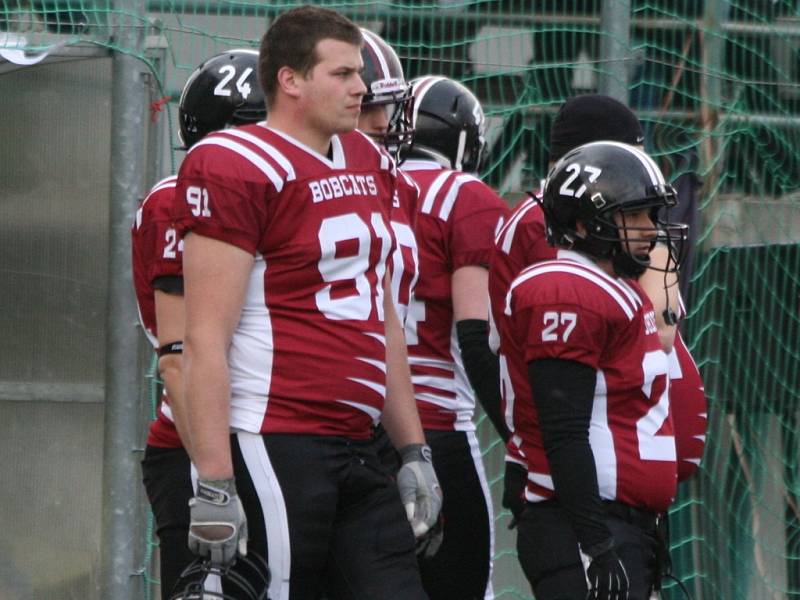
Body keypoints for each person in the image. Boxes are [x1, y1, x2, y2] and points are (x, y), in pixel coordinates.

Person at [173, 7, 441, 600]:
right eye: (342, 74)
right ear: (291, 80)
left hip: (360, 440)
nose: (361, 88)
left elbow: (381, 317)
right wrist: (215, 480)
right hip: (276, 434)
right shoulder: (234, 165)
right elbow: (204, 338)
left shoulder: (370, 161)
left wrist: (412, 447)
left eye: (360, 73)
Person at [489, 94, 706, 524]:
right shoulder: (547, 224)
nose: (644, 179)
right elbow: (653, 332)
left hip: (625, 467)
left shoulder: (615, 236)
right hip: (595, 477)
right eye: (630, 163)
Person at [500, 140, 688, 600]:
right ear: (586, 223)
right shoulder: (566, 286)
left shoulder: (614, 287)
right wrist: (596, 542)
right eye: (637, 216)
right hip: (585, 524)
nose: (651, 230)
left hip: (618, 524)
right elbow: (563, 429)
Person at [132, 48, 266, 599]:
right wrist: (214, 478)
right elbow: (179, 355)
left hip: (250, 431)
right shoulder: (181, 198)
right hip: (202, 438)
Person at [399, 74, 510, 600]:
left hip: (352, 426)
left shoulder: (358, 184)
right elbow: (474, 335)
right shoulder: (466, 197)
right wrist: (520, 441)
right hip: (437, 423)